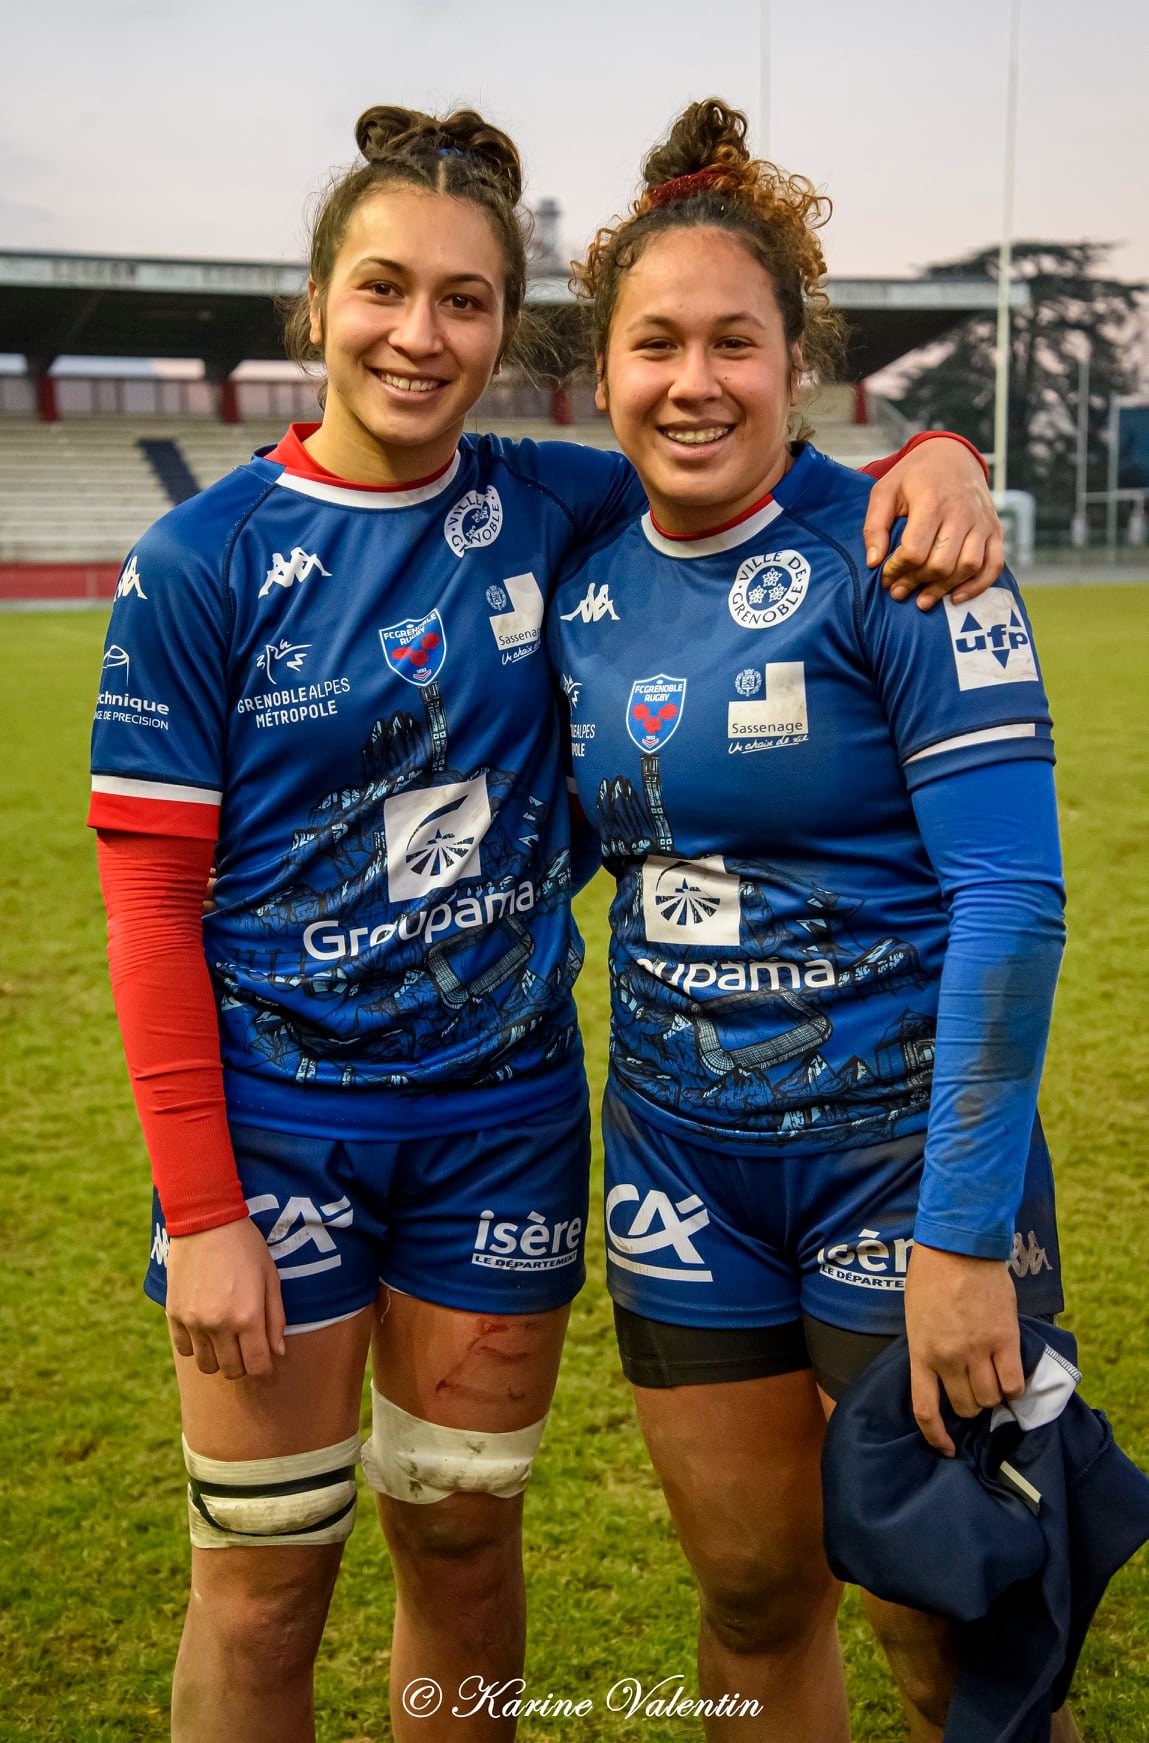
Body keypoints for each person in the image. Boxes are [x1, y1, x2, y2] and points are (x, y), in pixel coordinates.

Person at [89, 103, 1008, 1743]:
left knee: (458, 1536)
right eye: (383, 289)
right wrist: (200, 1204)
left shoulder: (546, 503)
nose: (418, 335)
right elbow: (149, 908)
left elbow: (746, 465)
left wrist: (935, 454)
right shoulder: (199, 558)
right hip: (273, 1135)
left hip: (502, 1129)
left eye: (465, 301)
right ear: (315, 306)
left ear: (513, 336)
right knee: (261, 1575)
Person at [552, 99, 1069, 1743]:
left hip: (899, 1169)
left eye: (732, 341)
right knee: (753, 1599)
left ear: (797, 361)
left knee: (951, 1622)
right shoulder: (577, 565)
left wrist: (962, 1237)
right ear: (603, 368)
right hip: (679, 1172)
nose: (691, 380)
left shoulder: (904, 556)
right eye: (653, 344)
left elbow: (1012, 895)